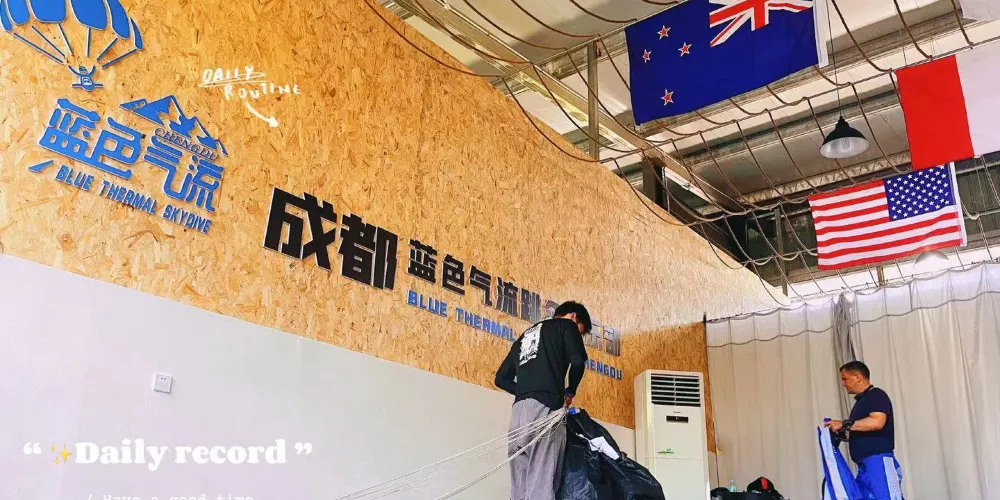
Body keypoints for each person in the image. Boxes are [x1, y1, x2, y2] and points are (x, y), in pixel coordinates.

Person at [494, 301, 591, 500]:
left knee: (520, 490)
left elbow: (500, 379)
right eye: (580, 331)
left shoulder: (526, 336)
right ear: (573, 316)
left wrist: (527, 390)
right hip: (545, 411)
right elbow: (577, 362)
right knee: (541, 487)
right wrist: (570, 392)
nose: (578, 334)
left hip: (519, 415)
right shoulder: (567, 326)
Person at [824, 361, 904, 500]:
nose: (843, 383)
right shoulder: (861, 403)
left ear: (857, 376)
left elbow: (877, 422)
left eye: (845, 379)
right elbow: (859, 430)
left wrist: (844, 424)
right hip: (865, 466)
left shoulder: (876, 395)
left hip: (877, 462)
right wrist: (839, 433)